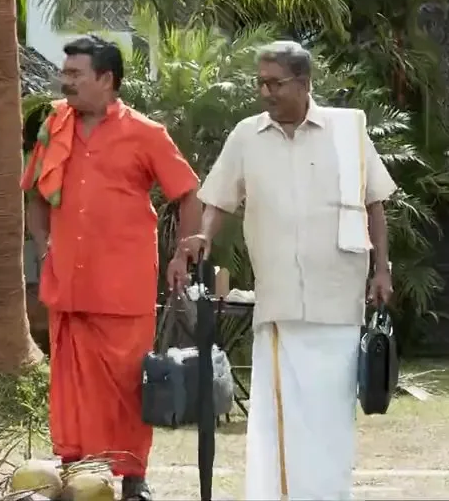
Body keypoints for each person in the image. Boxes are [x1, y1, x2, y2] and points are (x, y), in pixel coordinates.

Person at [170, 40, 397, 500]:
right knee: (279, 421)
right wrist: (203, 236)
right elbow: (218, 200)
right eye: (260, 83)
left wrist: (382, 270)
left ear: (304, 83)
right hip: (279, 304)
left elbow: (375, 202)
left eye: (275, 83)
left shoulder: (348, 131)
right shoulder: (246, 135)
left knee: (331, 420)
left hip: (338, 302)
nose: (265, 93)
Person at [21, 35, 202, 501]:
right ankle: (77, 474)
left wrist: (182, 255)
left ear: (106, 79)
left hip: (124, 284)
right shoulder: (54, 127)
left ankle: (134, 479)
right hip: (68, 282)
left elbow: (188, 194)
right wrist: (44, 248)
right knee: (71, 387)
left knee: (127, 386)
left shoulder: (146, 133)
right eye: (65, 73)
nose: (65, 82)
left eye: (75, 74)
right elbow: (36, 196)